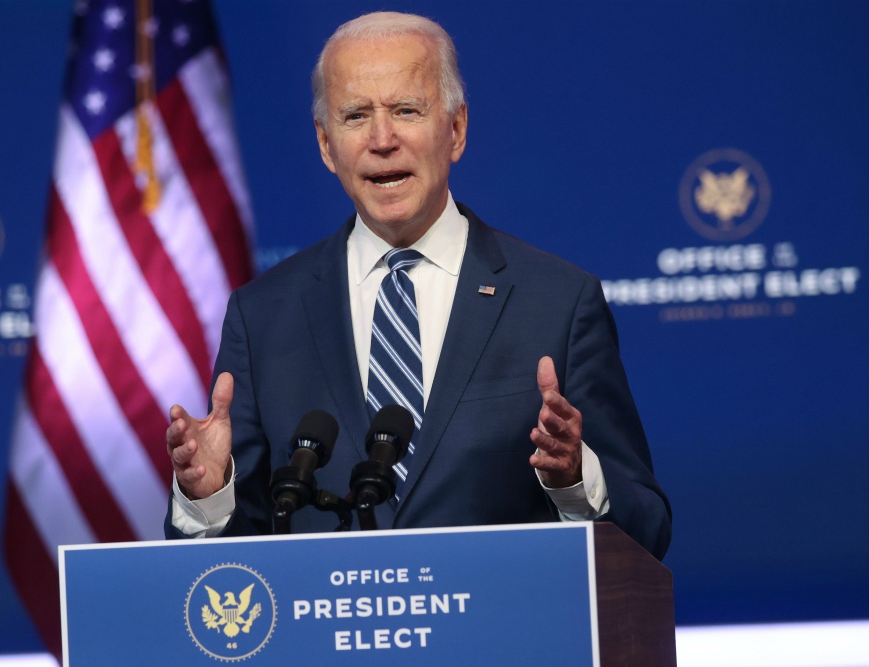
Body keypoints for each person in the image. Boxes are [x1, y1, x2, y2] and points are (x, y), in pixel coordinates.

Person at [165, 11, 671, 559]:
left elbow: (647, 529)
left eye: (407, 110)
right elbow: (231, 566)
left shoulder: (558, 303)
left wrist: (575, 478)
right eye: (355, 116)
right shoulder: (263, 315)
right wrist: (210, 495)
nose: (383, 140)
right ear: (326, 145)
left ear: (455, 129)